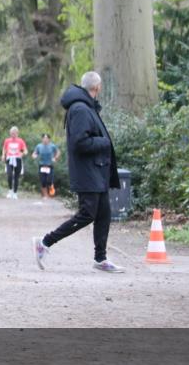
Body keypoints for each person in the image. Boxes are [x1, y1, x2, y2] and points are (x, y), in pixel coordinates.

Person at [33, 71, 124, 273]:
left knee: (103, 214)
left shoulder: (86, 107)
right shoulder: (81, 109)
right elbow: (79, 143)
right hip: (88, 173)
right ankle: (45, 242)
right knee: (86, 215)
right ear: (98, 87)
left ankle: (100, 258)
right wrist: (104, 142)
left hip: (96, 172)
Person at [1, 126, 28, 199]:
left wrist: (22, 154)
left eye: (14, 133)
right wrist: (3, 155)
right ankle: (10, 190)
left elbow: (25, 151)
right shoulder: (7, 140)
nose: (13, 135)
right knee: (9, 174)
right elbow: (4, 148)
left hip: (17, 159)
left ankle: (15, 193)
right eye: (11, 133)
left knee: (16, 176)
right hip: (9, 159)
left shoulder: (20, 141)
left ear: (17, 133)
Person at [32, 133, 61, 198]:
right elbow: (34, 153)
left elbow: (58, 152)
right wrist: (34, 155)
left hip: (49, 165)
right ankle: (45, 195)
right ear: (42, 139)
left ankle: (51, 193)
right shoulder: (39, 146)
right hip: (42, 165)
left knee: (50, 181)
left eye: (46, 138)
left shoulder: (52, 146)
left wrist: (55, 158)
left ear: (49, 139)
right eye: (44, 138)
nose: (45, 140)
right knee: (43, 181)